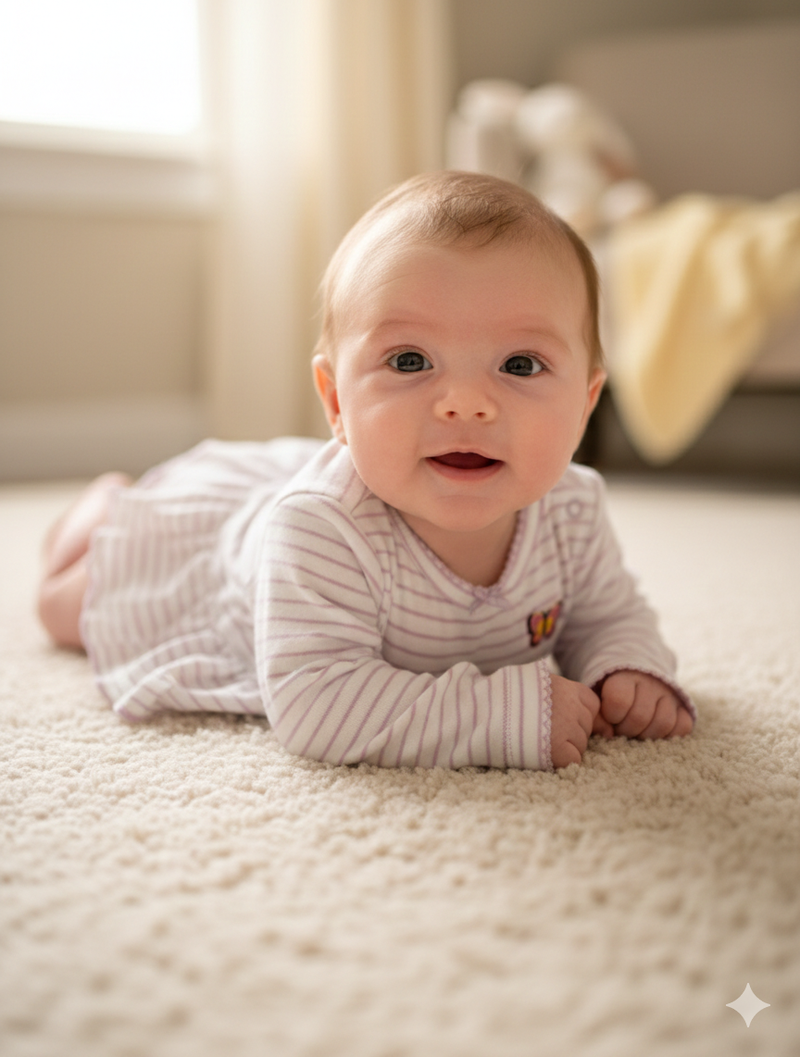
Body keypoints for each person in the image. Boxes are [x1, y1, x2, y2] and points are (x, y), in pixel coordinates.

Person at [37, 171, 695, 770]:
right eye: (410, 361)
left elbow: (610, 617)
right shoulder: (324, 528)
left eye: (520, 365)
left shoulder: (572, 511)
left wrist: (626, 671)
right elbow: (317, 706)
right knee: (64, 609)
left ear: (584, 405)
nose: (465, 402)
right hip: (221, 566)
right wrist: (502, 715)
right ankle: (105, 506)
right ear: (335, 403)